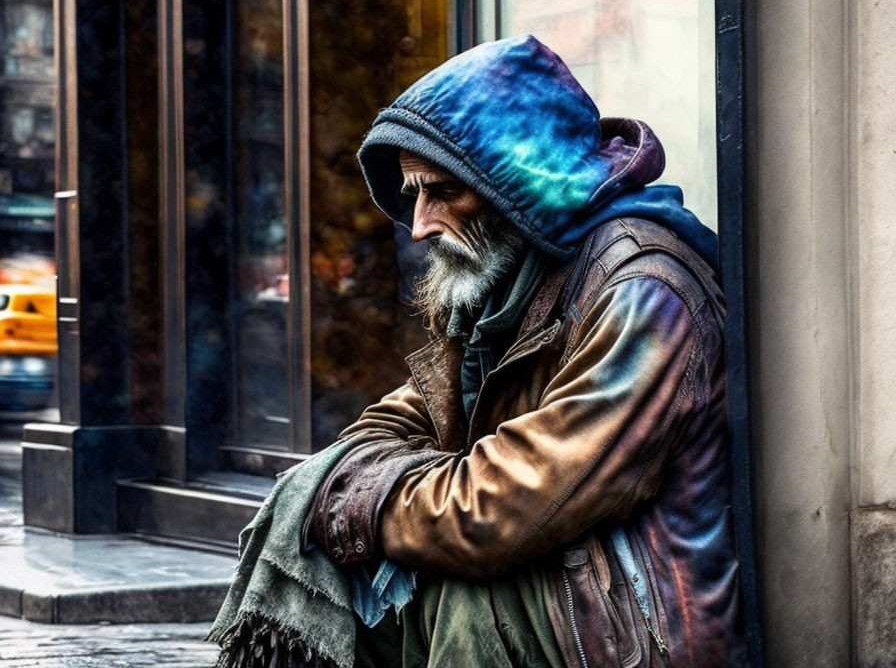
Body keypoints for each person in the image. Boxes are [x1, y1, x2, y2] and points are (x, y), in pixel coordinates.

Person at [216, 34, 744, 668]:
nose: (419, 225)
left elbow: (499, 508)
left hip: (626, 636)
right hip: (554, 593)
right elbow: (393, 422)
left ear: (514, 181)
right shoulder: (509, 281)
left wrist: (363, 502)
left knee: (454, 584)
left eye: (442, 192)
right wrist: (348, 489)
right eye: (413, 194)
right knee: (347, 557)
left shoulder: (646, 294)